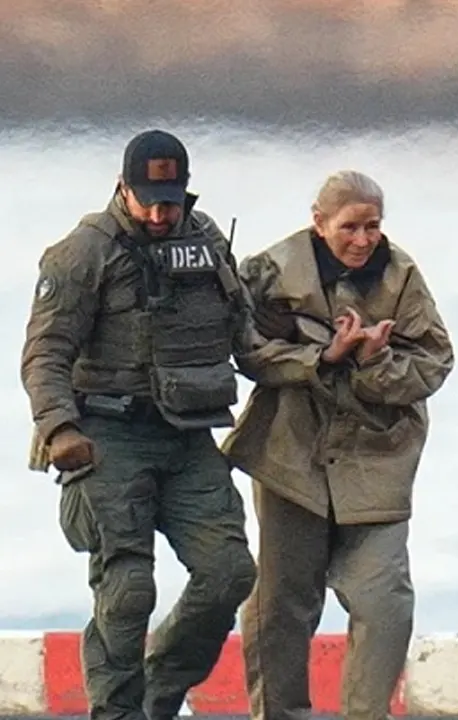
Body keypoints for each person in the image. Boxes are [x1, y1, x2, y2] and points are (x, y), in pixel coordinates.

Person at [20, 128, 259, 720]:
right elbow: (45, 353)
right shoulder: (83, 253)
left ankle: (161, 687)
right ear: (123, 189)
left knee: (228, 572)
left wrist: (315, 358)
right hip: (107, 435)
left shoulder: (204, 242)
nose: (159, 214)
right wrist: (59, 427)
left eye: (170, 202)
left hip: (187, 432)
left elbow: (243, 331)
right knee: (127, 589)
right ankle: (118, 711)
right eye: (148, 201)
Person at [221, 170, 455, 720]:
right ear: (319, 222)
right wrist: (320, 358)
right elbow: (244, 348)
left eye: (373, 226)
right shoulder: (271, 271)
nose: (363, 239)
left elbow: (435, 362)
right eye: (349, 227)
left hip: (376, 460)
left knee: (385, 602)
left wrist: (374, 361)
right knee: (280, 607)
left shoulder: (401, 277)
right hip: (291, 458)